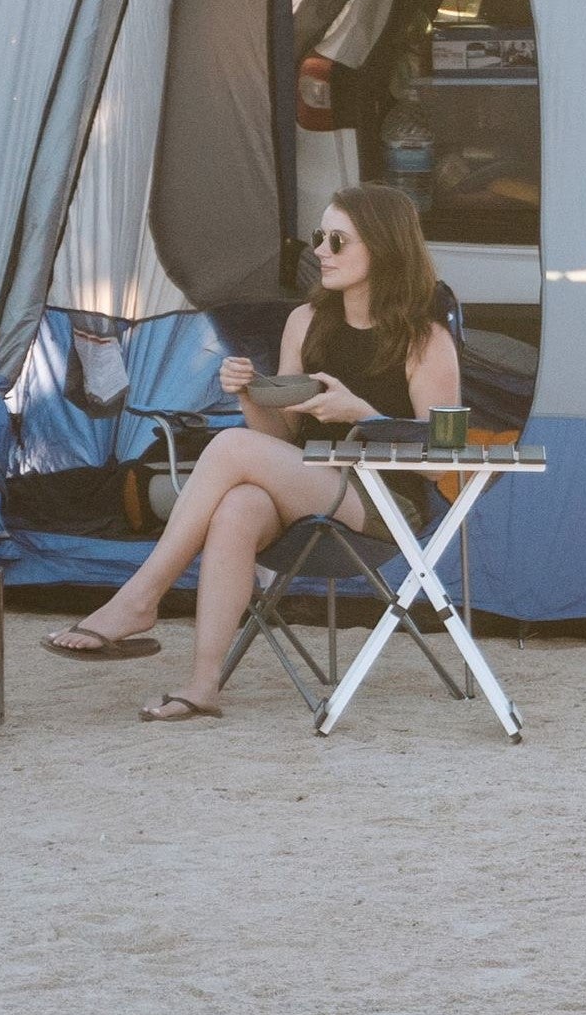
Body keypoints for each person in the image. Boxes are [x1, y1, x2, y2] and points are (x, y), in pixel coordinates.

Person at [46, 183, 461, 719]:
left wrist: (364, 416)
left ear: (383, 249)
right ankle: (202, 685)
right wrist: (250, 395)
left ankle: (141, 597)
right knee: (239, 504)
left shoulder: (425, 341)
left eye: (338, 241)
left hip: (383, 502)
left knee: (231, 448)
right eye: (319, 237)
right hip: (310, 483)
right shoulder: (306, 323)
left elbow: (443, 461)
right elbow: (277, 442)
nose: (320, 252)